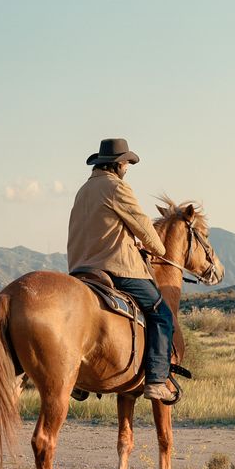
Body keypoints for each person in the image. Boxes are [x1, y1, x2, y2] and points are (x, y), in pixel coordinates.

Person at [67, 138, 176, 401]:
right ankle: (156, 380)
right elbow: (143, 226)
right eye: (126, 163)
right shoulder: (117, 187)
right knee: (161, 314)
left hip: (81, 268)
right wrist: (158, 248)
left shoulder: (83, 190)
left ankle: (79, 380)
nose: (127, 168)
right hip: (116, 269)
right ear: (117, 165)